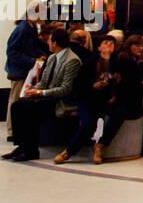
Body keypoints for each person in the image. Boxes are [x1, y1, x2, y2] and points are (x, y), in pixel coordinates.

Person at [4, 28, 83, 161]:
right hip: (48, 97)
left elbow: (65, 89)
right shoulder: (52, 58)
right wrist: (33, 90)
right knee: (17, 105)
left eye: (49, 40)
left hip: (61, 101)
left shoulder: (72, 61)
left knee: (31, 110)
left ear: (55, 42)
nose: (47, 43)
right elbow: (44, 81)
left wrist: (40, 92)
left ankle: (31, 150)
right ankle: (22, 146)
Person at [56, 34, 117, 163]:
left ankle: (100, 146)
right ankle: (69, 151)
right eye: (106, 43)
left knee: (118, 115)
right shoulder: (91, 62)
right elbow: (79, 85)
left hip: (106, 100)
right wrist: (92, 86)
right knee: (89, 123)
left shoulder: (116, 63)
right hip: (88, 100)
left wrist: (113, 94)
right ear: (99, 47)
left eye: (112, 44)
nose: (109, 46)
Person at [96, 34, 143, 163]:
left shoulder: (132, 59)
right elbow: (132, 83)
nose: (139, 48)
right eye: (136, 45)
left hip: (127, 97)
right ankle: (101, 145)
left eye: (140, 45)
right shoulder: (125, 60)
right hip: (121, 99)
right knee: (119, 114)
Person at [5, 4, 45, 138]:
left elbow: (30, 47)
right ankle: (12, 131)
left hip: (24, 69)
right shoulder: (22, 29)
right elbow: (11, 51)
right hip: (19, 71)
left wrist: (38, 55)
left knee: (18, 100)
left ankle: (16, 129)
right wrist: (31, 60)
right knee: (15, 100)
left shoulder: (31, 28)